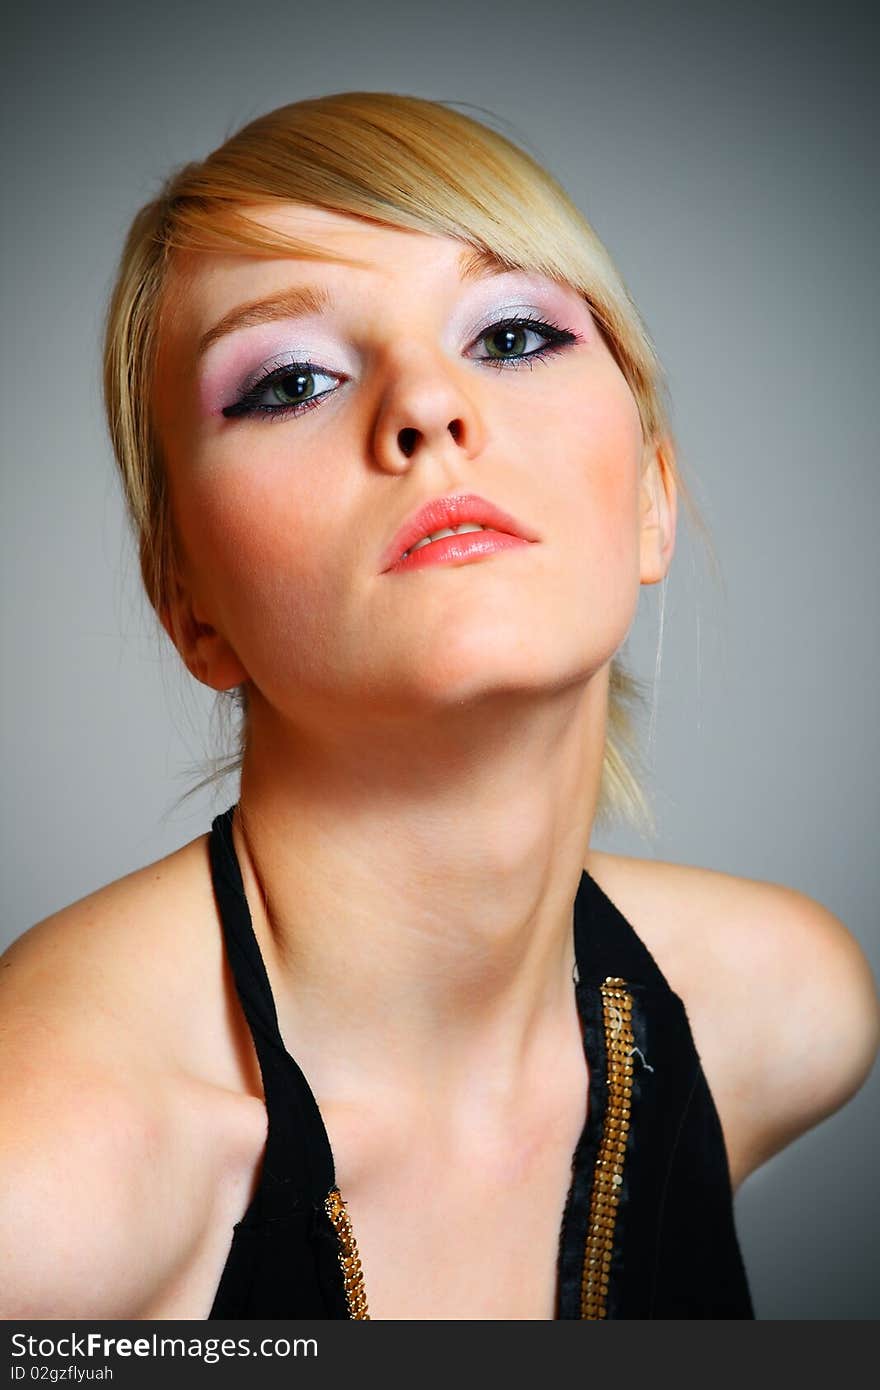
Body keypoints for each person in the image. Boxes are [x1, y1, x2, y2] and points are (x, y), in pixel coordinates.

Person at [2, 90, 878, 1321]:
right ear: (186, 600)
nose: (426, 405)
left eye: (513, 335)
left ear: (651, 498)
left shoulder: (783, 1006)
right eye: (291, 378)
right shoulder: (41, 1186)